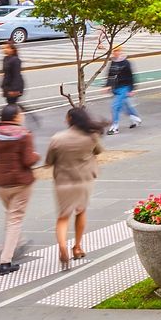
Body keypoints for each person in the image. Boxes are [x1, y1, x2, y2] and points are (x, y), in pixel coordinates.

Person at [47, 105, 104, 269]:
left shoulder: (57, 138)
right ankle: (77, 247)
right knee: (81, 211)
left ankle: (63, 247)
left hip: (63, 182)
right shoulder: (91, 136)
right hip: (84, 181)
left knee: (63, 217)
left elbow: (50, 161)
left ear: (70, 119)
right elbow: (98, 151)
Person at [0, 105, 40, 274]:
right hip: (20, 183)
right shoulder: (24, 135)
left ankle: (17, 242)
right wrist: (37, 156)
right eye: (21, 114)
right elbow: (28, 160)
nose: (22, 116)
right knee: (15, 219)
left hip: (2, 183)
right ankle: (5, 261)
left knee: (11, 215)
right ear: (16, 117)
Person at [105, 47, 140, 133]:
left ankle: (115, 127)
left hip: (124, 87)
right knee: (125, 105)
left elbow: (131, 75)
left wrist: (132, 89)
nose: (116, 53)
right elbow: (110, 74)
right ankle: (135, 118)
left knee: (115, 106)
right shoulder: (113, 62)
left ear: (120, 52)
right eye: (114, 51)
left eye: (117, 51)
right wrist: (107, 85)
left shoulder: (126, 62)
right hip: (115, 88)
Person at [0, 41, 26, 111]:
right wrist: (2, 85)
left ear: (12, 49)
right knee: (11, 104)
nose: (4, 50)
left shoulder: (16, 60)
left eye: (6, 48)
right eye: (3, 48)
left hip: (14, 86)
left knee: (11, 104)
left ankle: (16, 115)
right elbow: (4, 73)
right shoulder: (5, 59)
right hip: (7, 86)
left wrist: (15, 90)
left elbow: (16, 75)